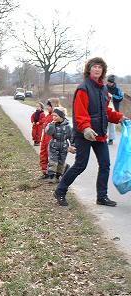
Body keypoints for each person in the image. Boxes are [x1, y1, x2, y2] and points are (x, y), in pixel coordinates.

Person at [54, 57, 127, 207]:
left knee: (105, 164)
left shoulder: (103, 89)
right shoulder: (83, 88)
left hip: (99, 133)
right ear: (89, 69)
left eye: (100, 67)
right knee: (81, 165)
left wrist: (119, 117)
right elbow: (80, 112)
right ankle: (60, 191)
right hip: (84, 133)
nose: (97, 69)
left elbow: (105, 111)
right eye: (94, 66)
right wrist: (86, 127)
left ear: (103, 71)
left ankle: (102, 196)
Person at [45, 107, 75, 183]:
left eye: (56, 116)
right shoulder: (52, 125)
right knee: (53, 160)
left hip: (64, 146)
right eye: (53, 116)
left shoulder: (68, 127)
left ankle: (58, 176)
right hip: (54, 145)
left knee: (61, 161)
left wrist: (73, 145)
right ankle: (51, 176)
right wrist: (51, 126)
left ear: (61, 117)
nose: (53, 117)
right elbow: (48, 133)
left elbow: (72, 137)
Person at [39, 98, 61, 179]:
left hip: (51, 141)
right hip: (44, 139)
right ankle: (45, 172)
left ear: (54, 107)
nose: (47, 107)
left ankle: (54, 174)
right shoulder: (48, 116)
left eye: (49, 106)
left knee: (51, 157)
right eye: (47, 106)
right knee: (43, 155)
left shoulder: (56, 118)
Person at [106, 75, 124, 145]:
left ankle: (111, 139)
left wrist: (112, 96)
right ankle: (104, 138)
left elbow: (120, 97)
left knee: (111, 125)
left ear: (113, 83)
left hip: (114, 108)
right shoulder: (104, 87)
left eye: (110, 82)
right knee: (104, 124)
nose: (109, 84)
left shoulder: (117, 89)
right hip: (105, 108)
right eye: (108, 82)